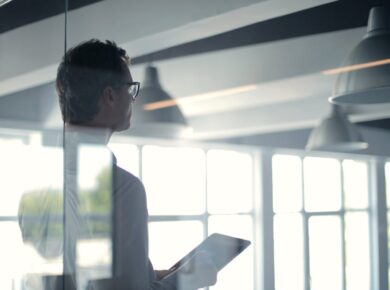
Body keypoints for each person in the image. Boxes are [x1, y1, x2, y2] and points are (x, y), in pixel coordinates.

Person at [55, 39, 217, 290]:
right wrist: (190, 279)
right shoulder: (122, 188)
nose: (133, 99)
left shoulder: (47, 179)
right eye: (130, 90)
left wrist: (154, 275)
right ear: (109, 95)